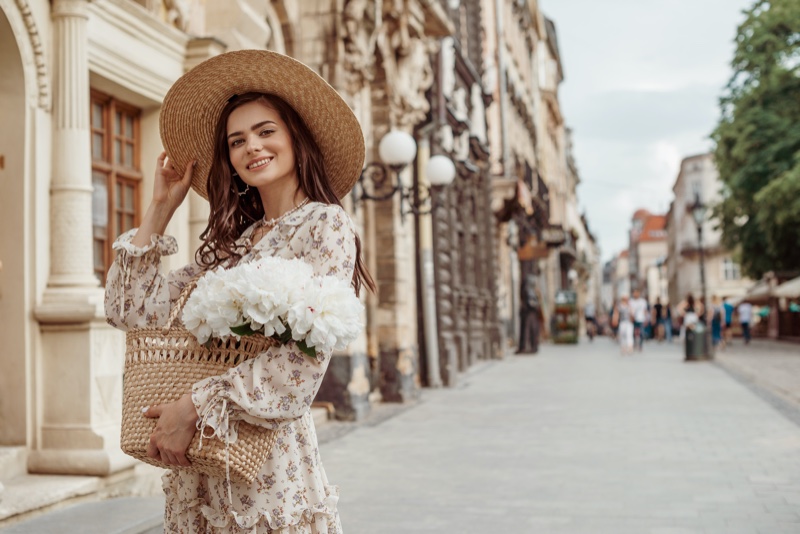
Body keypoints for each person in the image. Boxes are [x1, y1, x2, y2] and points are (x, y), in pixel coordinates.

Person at [104, 50, 374, 533]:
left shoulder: (324, 225)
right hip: (204, 467)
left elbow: (301, 370)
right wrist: (159, 210)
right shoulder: (238, 244)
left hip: (267, 470)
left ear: (296, 138)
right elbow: (130, 311)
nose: (252, 147)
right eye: (237, 140)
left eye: (266, 132)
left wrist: (193, 407)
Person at [517, 273, 542, 354]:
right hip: (529, 313)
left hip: (529, 313)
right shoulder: (530, 290)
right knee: (529, 330)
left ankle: (529, 347)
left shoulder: (530, 291)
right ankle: (529, 347)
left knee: (529, 330)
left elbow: (532, 303)